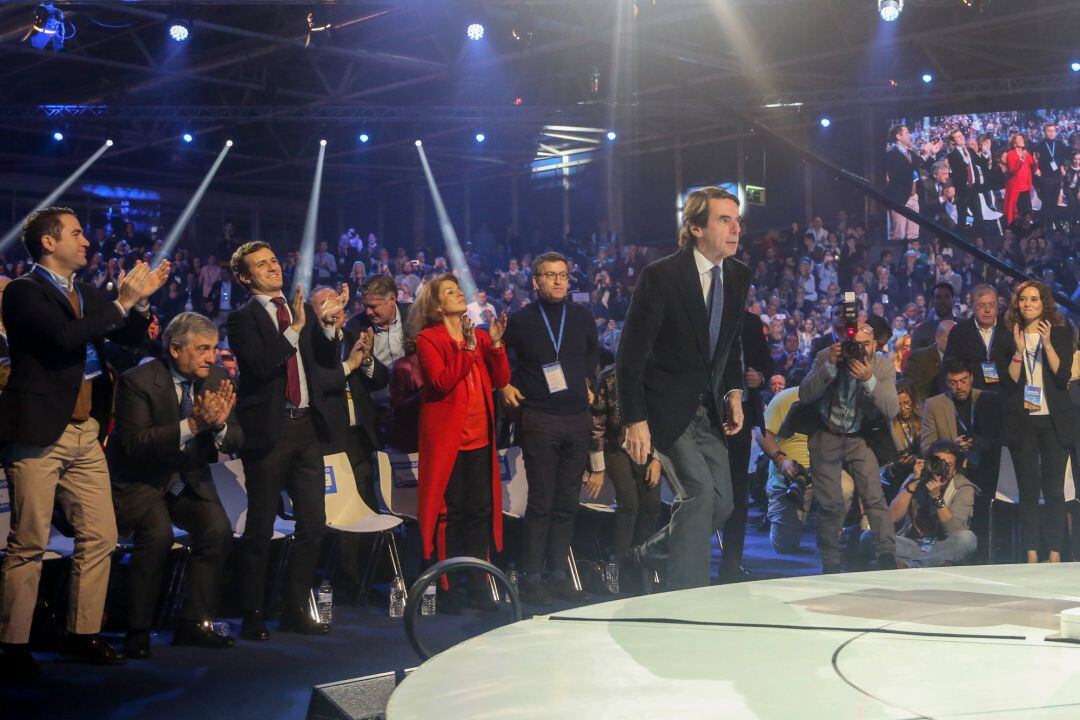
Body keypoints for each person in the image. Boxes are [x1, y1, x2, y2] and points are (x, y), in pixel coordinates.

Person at [0, 207, 165, 677]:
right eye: (76, 234)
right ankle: (12, 645)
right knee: (28, 542)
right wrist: (119, 303)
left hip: (85, 432)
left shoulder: (84, 291)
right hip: (38, 432)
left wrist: (142, 302)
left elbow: (130, 336)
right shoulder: (23, 292)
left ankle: (81, 634)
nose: (86, 241)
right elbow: (61, 337)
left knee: (102, 536)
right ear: (49, 243)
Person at [618, 186, 751, 590]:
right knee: (697, 494)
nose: (735, 229)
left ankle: (649, 553)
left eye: (737, 220)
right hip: (666, 406)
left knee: (723, 502)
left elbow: (730, 342)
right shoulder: (661, 276)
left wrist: (733, 393)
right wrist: (635, 419)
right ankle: (687, 596)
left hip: (709, 408)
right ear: (696, 227)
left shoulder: (739, 275)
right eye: (723, 220)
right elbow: (630, 355)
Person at [226, 241, 347, 639]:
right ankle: (254, 612)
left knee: (313, 523)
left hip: (307, 429)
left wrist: (327, 328)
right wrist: (294, 328)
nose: (272, 268)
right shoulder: (242, 319)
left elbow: (325, 364)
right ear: (245, 278)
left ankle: (295, 607)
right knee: (260, 528)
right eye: (261, 265)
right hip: (269, 432)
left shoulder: (302, 311)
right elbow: (259, 367)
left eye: (274, 260)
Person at [108, 313, 241, 658]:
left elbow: (237, 438)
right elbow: (136, 444)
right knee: (158, 535)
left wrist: (221, 426)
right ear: (175, 348)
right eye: (202, 349)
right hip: (144, 482)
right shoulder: (136, 381)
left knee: (217, 529)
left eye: (213, 348)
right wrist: (194, 425)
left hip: (188, 482)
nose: (212, 357)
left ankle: (194, 623)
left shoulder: (216, 376)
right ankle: (137, 630)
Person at [500, 252, 598, 605]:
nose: (558, 281)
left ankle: (558, 574)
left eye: (563, 275)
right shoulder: (521, 320)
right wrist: (505, 385)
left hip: (576, 418)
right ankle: (532, 578)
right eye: (550, 275)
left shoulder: (583, 317)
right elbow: (501, 359)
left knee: (567, 502)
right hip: (539, 417)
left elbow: (591, 357)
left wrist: (590, 383)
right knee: (541, 502)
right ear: (535, 282)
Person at [413, 274, 510, 612]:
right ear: (438, 306)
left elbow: (501, 379)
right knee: (450, 514)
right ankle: (449, 587)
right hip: (448, 443)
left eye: (458, 290)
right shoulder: (428, 339)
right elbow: (440, 382)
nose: (458, 295)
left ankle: (479, 585)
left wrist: (495, 345)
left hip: (481, 440)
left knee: (480, 512)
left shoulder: (479, 336)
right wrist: (468, 349)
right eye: (450, 292)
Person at [798, 322, 900, 573]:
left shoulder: (882, 366)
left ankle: (886, 555)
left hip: (859, 437)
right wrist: (830, 366)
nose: (860, 349)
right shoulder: (827, 355)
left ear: (875, 345)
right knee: (831, 504)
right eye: (856, 344)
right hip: (827, 433)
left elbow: (891, 409)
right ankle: (831, 563)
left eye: (866, 344)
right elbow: (804, 394)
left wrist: (869, 381)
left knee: (875, 497)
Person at [309, 286, 385, 604]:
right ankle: (345, 582)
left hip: (359, 439)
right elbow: (316, 384)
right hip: (327, 439)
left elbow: (381, 379)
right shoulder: (308, 343)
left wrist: (365, 361)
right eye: (328, 304)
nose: (338, 309)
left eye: (340, 304)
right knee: (341, 514)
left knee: (366, 507)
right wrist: (349, 366)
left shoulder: (354, 333)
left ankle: (364, 580)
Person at [999, 280, 1075, 564]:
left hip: (1054, 420)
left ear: (1044, 303)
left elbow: (1061, 375)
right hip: (1023, 421)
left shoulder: (1061, 333)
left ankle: (1054, 552)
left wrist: (1046, 343)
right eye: (1023, 299)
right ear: (1017, 304)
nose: (1028, 303)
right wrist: (1019, 352)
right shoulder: (1007, 335)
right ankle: (1031, 553)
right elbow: (1008, 381)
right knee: (1028, 490)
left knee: (1054, 490)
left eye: (1034, 299)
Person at [584, 354, 662, 593]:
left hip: (648, 448)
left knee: (651, 505)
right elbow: (596, 426)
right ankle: (620, 566)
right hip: (614, 445)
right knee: (630, 504)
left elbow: (664, 420)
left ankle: (641, 562)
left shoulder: (657, 376)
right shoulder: (608, 379)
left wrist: (657, 459)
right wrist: (597, 468)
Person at [757, 386, 854, 554]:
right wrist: (782, 460)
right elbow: (762, 433)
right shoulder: (786, 398)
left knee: (846, 486)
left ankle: (828, 532)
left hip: (825, 468)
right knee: (784, 545)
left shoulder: (840, 401)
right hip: (791, 473)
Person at [720, 311, 773, 580]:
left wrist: (760, 377)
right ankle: (691, 559)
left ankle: (731, 563)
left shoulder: (750, 322)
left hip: (741, 417)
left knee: (738, 493)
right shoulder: (699, 312)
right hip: (704, 416)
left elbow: (766, 363)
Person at [869, 441, 977, 568]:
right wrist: (913, 484)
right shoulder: (916, 478)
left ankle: (911, 566)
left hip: (943, 546)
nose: (942, 468)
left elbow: (956, 530)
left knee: (967, 539)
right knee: (870, 535)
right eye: (938, 463)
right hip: (914, 546)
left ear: (954, 471)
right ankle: (931, 563)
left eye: (948, 465)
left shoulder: (963, 488)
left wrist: (937, 497)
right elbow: (891, 518)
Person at [921, 357, 1000, 495]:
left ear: (971, 378)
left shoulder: (988, 399)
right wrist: (951, 447)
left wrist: (977, 442)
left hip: (985, 468)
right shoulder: (934, 405)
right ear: (946, 383)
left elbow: (997, 441)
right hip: (951, 473)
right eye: (953, 382)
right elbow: (926, 447)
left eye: (964, 381)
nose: (959, 387)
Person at [944, 284, 1012, 389]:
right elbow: (949, 365)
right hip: (973, 394)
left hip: (1005, 393)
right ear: (972, 306)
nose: (988, 310)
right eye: (982, 305)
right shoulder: (959, 332)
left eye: (992, 305)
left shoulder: (1008, 329)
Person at [884, 125, 924, 243]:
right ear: (898, 136)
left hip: (914, 198)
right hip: (900, 199)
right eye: (907, 133)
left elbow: (918, 167)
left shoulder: (911, 154)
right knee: (899, 235)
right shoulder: (891, 155)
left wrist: (928, 154)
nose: (910, 135)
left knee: (914, 234)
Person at [882, 380, 921, 496]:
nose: (903, 408)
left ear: (913, 401)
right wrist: (896, 464)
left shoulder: (924, 418)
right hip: (898, 474)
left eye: (907, 403)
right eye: (898, 404)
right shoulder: (890, 424)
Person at [902, 319, 954, 405]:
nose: (955, 342)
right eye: (951, 338)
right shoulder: (919, 358)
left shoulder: (964, 357)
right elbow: (913, 391)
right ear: (937, 338)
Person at [1034, 121, 1068, 230]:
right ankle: (1044, 225)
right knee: (1047, 202)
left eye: (1053, 131)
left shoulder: (1059, 144)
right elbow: (1035, 160)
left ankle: (1051, 225)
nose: (1051, 133)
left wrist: (1063, 169)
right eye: (1049, 131)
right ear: (1044, 132)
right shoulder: (1039, 145)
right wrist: (1036, 168)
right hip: (1046, 178)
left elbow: (1062, 160)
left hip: (1057, 177)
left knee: (1054, 203)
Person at [1002, 133, 1038, 226]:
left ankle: (1026, 229)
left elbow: (1033, 169)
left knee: (1026, 211)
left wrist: (1036, 162)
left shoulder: (1027, 153)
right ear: (1014, 143)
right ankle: (1014, 229)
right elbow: (1012, 171)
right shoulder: (1011, 154)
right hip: (1015, 188)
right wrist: (1021, 159)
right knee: (1014, 211)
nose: (1022, 140)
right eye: (1019, 139)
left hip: (1025, 187)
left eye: (1022, 139)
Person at [909, 282, 956, 350]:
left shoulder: (965, 327)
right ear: (932, 302)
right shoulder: (921, 331)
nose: (943, 301)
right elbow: (915, 359)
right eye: (938, 297)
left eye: (947, 297)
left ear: (953, 300)